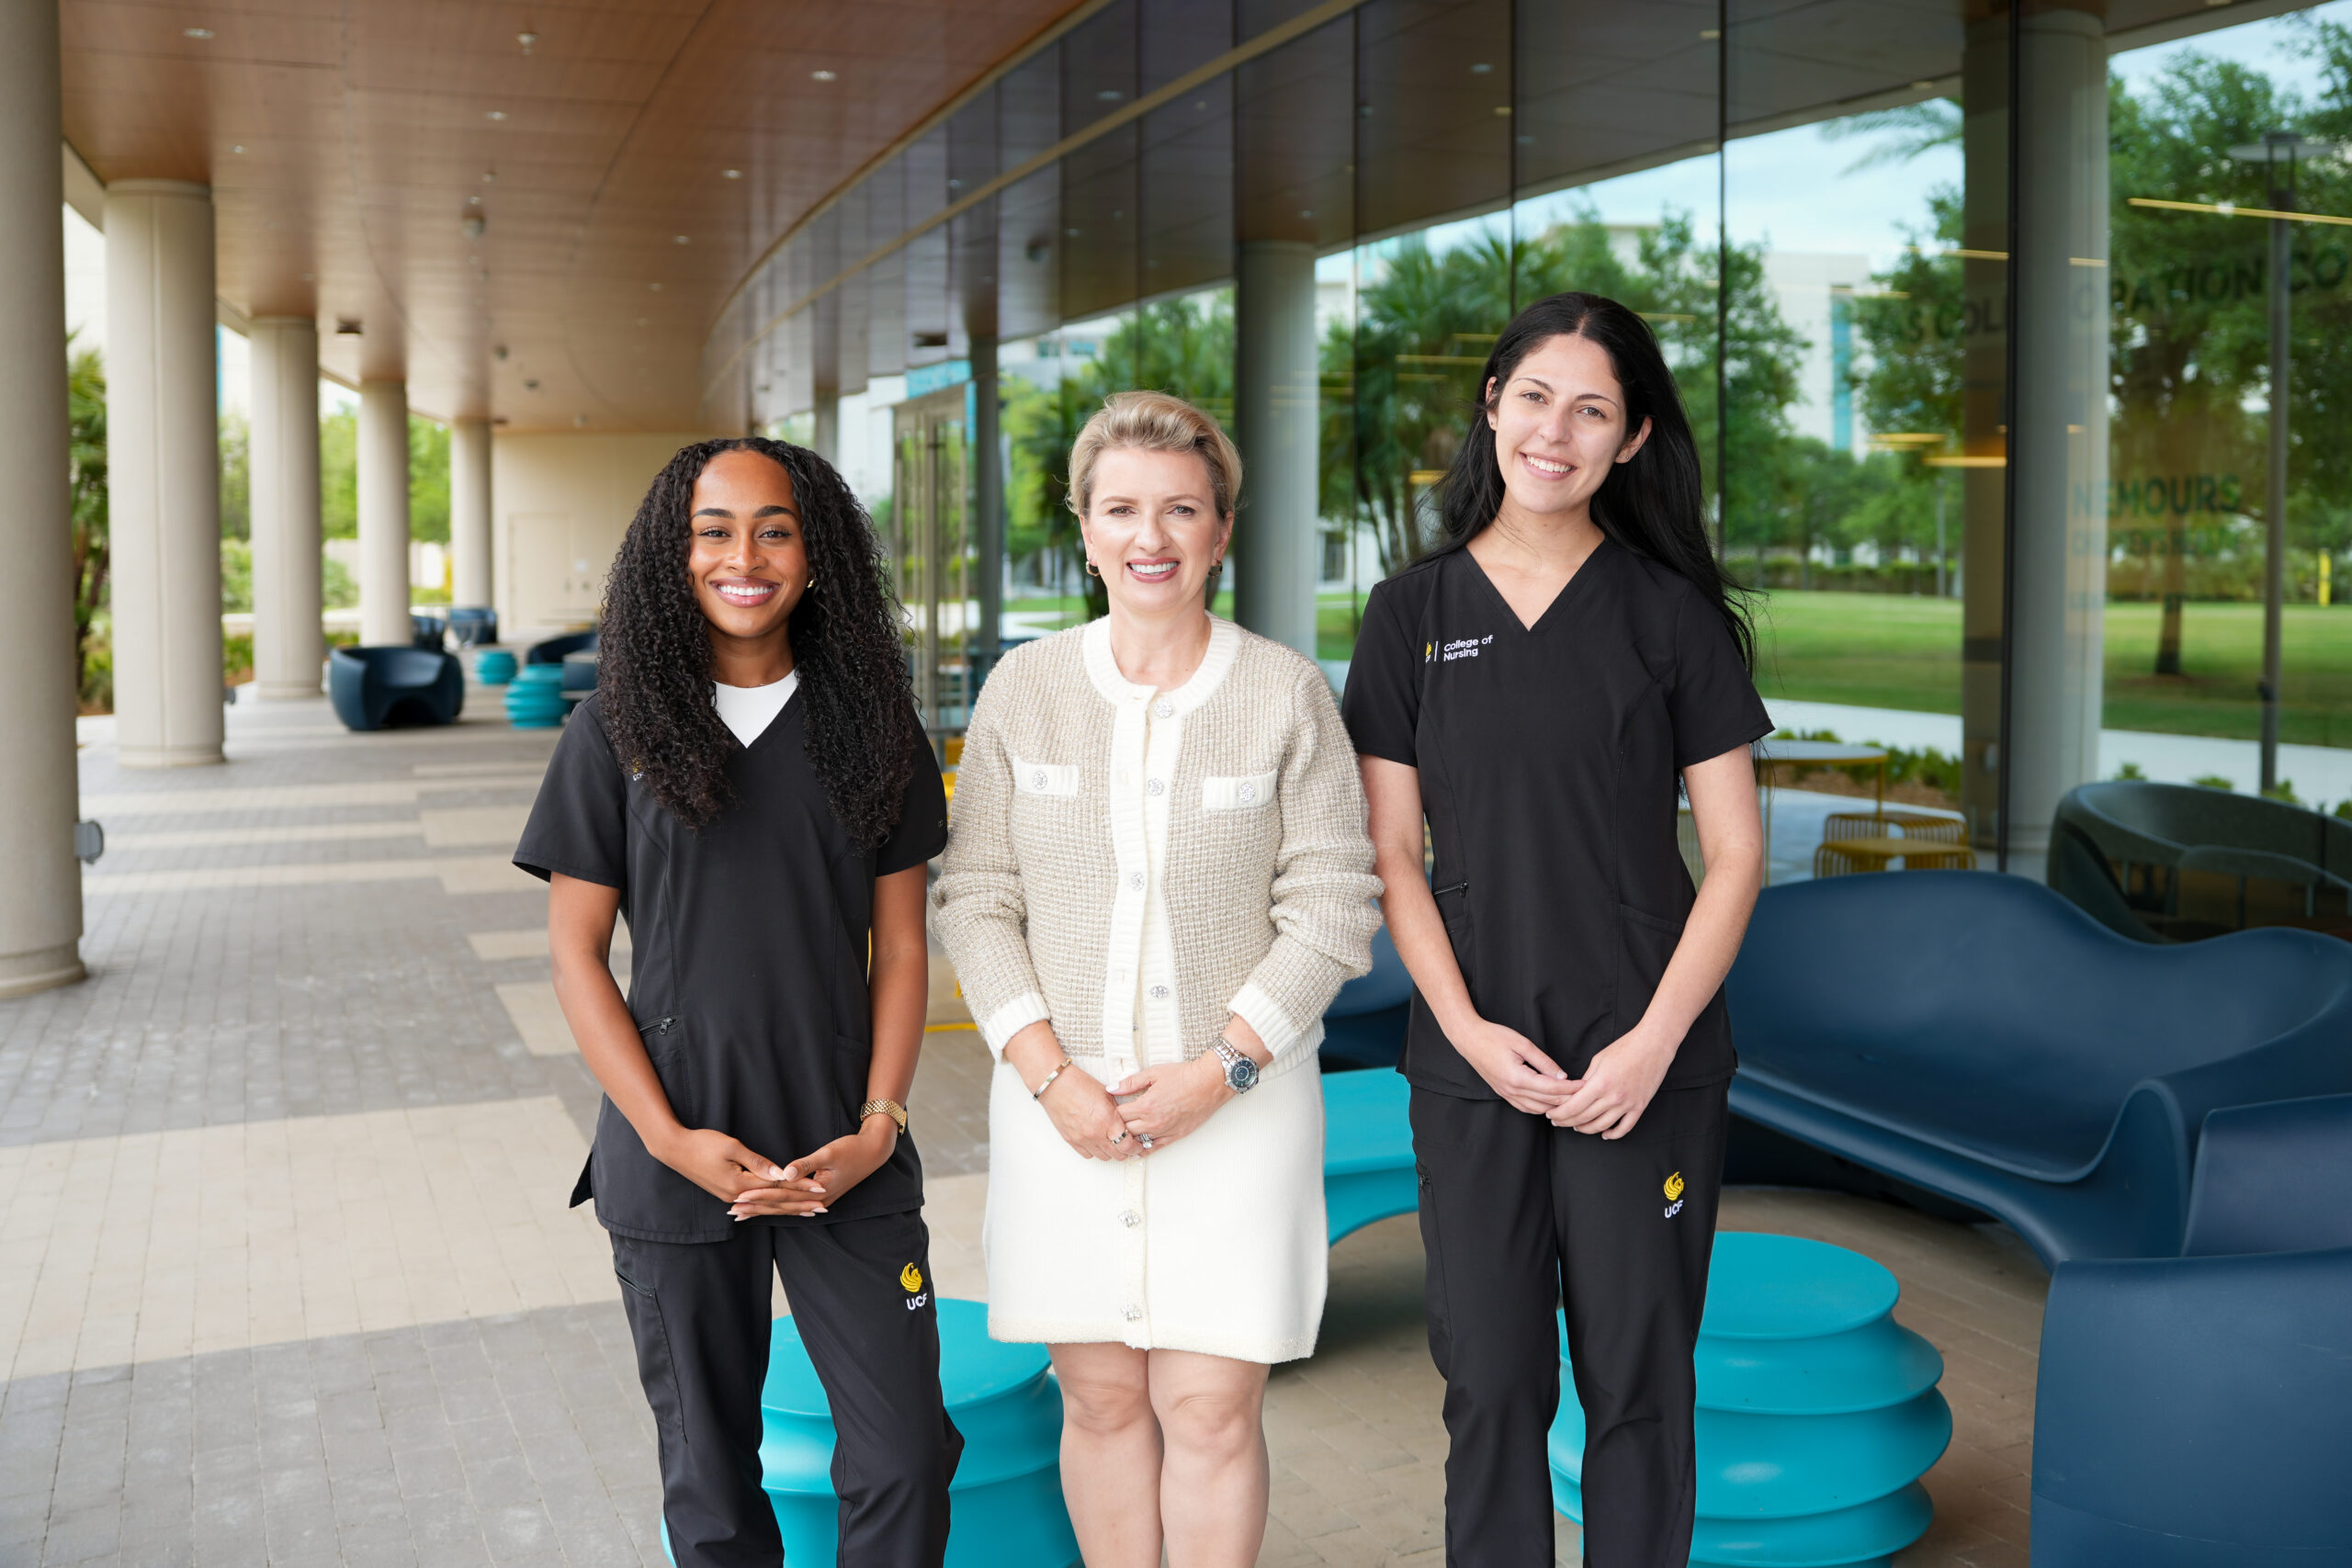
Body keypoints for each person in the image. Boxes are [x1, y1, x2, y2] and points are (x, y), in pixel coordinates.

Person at [1340, 292, 1772, 1567]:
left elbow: (1737, 853)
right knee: (1491, 1380)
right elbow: (1392, 855)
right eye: (1536, 395)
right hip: (1475, 1066)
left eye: (1594, 408)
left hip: (1647, 1063)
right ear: (1492, 404)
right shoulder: (1410, 613)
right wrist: (1466, 1029)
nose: (1557, 429)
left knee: (1640, 1381)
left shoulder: (1671, 615)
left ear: (1633, 439)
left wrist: (1649, 1044)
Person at [932, 390, 1380, 1568]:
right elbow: (975, 896)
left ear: (1220, 531)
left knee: (1209, 1408)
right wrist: (1049, 1077)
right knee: (1100, 1402)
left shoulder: (1285, 691)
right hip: (1059, 1110)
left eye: (1181, 509)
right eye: (1122, 508)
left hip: (1238, 1108)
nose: (1152, 536)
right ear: (1083, 529)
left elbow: (1334, 902)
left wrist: (1221, 1069)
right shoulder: (1024, 689)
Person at [514, 437, 961, 1568]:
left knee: (906, 1453)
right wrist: (665, 1137)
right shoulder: (613, 729)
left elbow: (901, 949)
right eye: (713, 530)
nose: (743, 556)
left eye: (775, 528)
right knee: (710, 1482)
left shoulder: (873, 728)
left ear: (819, 556)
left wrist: (878, 1127)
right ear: (675, 554)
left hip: (841, 1152)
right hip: (676, 1158)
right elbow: (575, 956)